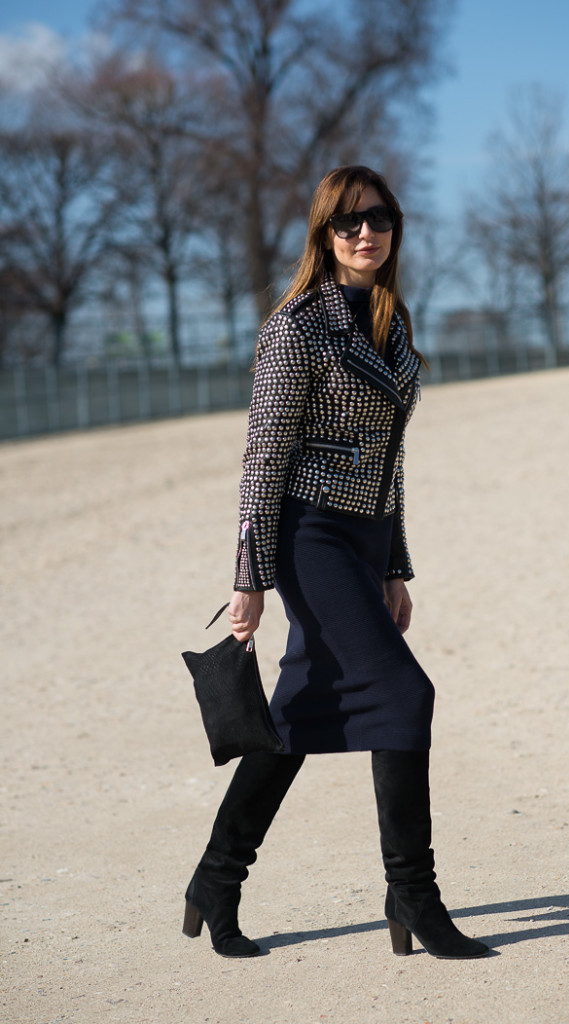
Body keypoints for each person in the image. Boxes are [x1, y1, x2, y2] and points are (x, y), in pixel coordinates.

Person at [182, 165, 489, 960]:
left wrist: (396, 565)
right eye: (348, 222)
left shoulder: (393, 318)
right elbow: (261, 458)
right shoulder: (295, 326)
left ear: (395, 230)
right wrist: (248, 576)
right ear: (323, 234)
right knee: (404, 692)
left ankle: (216, 879)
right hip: (308, 534)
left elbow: (390, 456)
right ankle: (413, 896)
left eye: (379, 219)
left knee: (297, 718)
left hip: (365, 539)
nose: (365, 234)